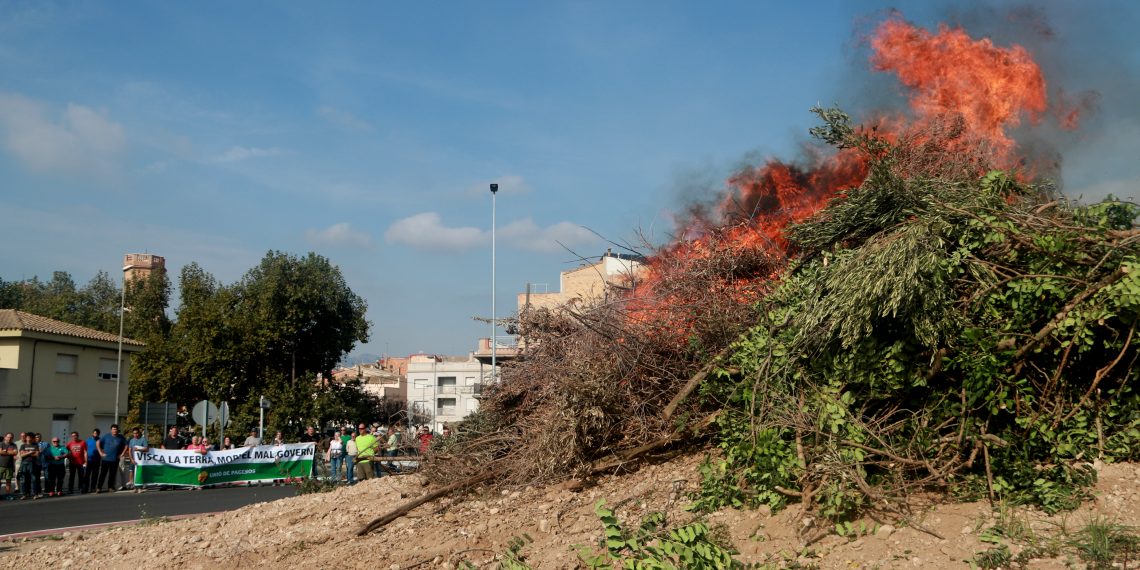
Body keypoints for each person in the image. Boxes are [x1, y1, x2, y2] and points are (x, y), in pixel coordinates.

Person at [95, 424, 128, 493]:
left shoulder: (121, 437)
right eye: (113, 429)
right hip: (105, 459)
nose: (115, 431)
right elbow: (98, 442)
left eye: (116, 429)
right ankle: (99, 488)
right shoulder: (106, 436)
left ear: (118, 430)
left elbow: (126, 445)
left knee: (112, 475)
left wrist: (122, 454)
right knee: (102, 474)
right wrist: (100, 453)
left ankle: (110, 487)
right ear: (111, 430)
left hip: (115, 459)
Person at [17, 432, 41, 499]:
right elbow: (22, 455)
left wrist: (26, 453)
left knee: (34, 479)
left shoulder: (35, 445)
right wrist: (30, 452)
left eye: (30, 437)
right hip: (24, 463)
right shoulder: (23, 445)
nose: (28, 439)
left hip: (33, 464)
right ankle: (25, 494)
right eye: (27, 437)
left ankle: (35, 494)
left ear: (33, 438)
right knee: (24, 479)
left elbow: (37, 454)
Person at [0, 433, 17, 498]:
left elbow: (15, 452)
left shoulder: (14, 445)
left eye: (11, 437)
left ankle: (7, 494)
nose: (9, 438)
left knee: (8, 481)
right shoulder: (1, 444)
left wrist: (5, 451)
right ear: (5, 437)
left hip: (9, 466)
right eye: (8, 437)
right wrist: (10, 452)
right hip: (1, 465)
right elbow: (0, 452)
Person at [85, 429, 101, 494]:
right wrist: (85, 460)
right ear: (92, 433)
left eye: (97, 433)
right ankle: (85, 488)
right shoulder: (88, 441)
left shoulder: (100, 440)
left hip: (97, 461)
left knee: (95, 475)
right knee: (87, 475)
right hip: (89, 461)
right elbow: (84, 450)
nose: (95, 434)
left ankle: (93, 487)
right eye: (94, 433)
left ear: (99, 434)